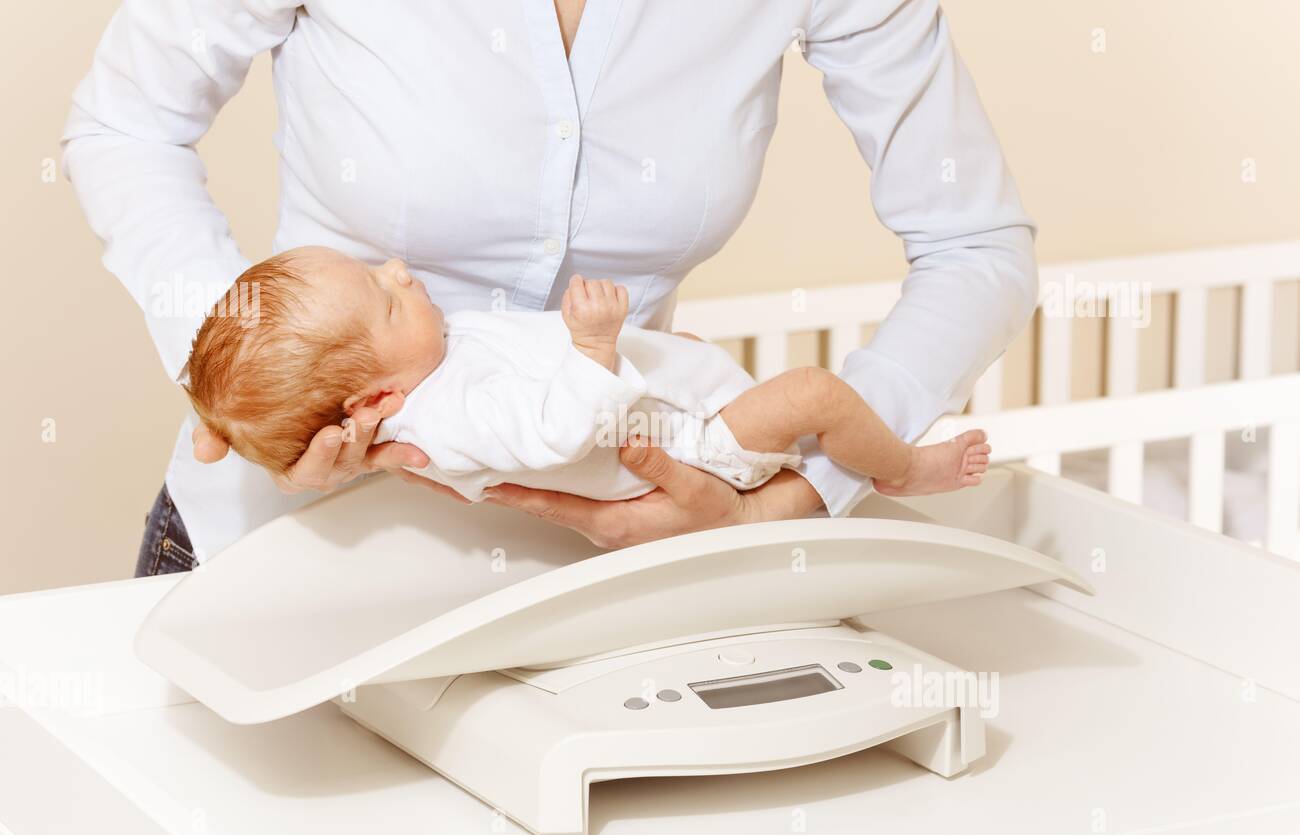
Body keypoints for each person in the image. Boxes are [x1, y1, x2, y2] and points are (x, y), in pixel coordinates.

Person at [62, 0, 1037, 572]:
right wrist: (238, 367)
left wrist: (806, 489)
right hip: (280, 557)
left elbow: (977, 243)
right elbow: (125, 128)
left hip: (607, 576)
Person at [182, 247, 991, 503]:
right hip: (692, 454)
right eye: (384, 295)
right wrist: (600, 348)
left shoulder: (425, 365)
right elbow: (558, 430)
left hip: (680, 409)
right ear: (379, 400)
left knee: (721, 368)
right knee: (815, 393)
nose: (398, 270)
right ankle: (907, 469)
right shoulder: (447, 417)